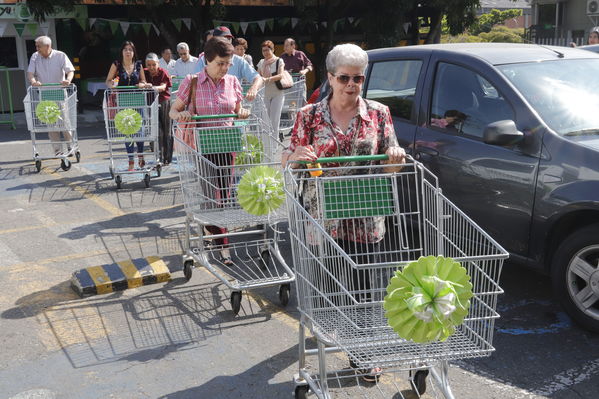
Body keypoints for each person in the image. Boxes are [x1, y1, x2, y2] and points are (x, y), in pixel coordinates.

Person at [281, 43, 406, 383]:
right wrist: (296, 157)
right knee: (332, 287)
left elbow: (390, 166)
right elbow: (287, 161)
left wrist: (395, 156)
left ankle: (362, 353)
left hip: (366, 215)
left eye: (358, 78)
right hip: (324, 218)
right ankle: (342, 334)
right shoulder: (308, 116)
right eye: (344, 77)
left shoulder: (379, 114)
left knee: (366, 288)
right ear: (331, 78)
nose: (351, 85)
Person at [170, 37, 250, 264]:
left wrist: (242, 112)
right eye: (220, 64)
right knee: (209, 195)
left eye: (228, 64)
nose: (225, 69)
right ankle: (223, 244)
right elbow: (172, 112)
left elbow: (237, 109)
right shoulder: (192, 81)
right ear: (206, 60)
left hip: (227, 143)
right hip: (203, 147)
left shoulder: (233, 81)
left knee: (224, 195)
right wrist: (181, 114)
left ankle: (216, 235)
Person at [27, 35, 75, 156]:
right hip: (45, 93)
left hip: (59, 92)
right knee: (51, 122)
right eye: (36, 46)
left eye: (39, 46)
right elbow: (30, 73)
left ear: (48, 46)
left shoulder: (60, 55)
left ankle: (71, 147)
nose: (36, 48)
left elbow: (70, 70)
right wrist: (33, 82)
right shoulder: (35, 56)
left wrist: (68, 80)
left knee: (64, 121)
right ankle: (57, 150)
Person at [105, 41, 148, 171]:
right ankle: (130, 160)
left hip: (138, 101)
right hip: (123, 103)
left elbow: (144, 81)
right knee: (128, 132)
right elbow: (107, 81)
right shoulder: (116, 64)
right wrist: (112, 85)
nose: (128, 52)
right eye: (125, 49)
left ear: (134, 52)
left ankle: (140, 155)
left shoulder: (139, 65)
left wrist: (142, 84)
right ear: (122, 52)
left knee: (139, 131)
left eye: (130, 49)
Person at [194, 26, 261, 101]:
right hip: (208, 105)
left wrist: (253, 88)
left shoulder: (239, 61)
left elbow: (257, 77)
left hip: (232, 107)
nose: (227, 41)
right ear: (214, 40)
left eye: (229, 39)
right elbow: (195, 81)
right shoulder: (204, 59)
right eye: (223, 38)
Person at [144, 53, 173, 164]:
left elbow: (163, 87)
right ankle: (158, 156)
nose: (151, 67)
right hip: (151, 103)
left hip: (164, 101)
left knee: (167, 130)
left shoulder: (163, 72)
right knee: (156, 130)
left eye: (153, 65)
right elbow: (140, 82)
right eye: (149, 65)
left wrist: (153, 87)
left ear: (158, 64)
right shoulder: (145, 72)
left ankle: (167, 157)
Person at [257, 40, 285, 135]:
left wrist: (267, 79)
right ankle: (267, 144)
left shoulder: (279, 61)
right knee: (265, 121)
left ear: (273, 50)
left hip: (277, 93)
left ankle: (274, 145)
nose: (265, 52)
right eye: (263, 50)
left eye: (267, 50)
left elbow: (280, 75)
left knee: (274, 120)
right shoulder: (261, 62)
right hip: (265, 94)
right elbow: (258, 76)